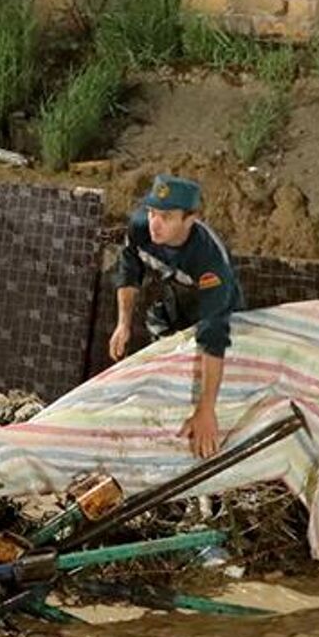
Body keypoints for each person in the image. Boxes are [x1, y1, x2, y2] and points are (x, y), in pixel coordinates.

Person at [106, 175, 244, 458]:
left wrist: (206, 410)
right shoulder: (142, 227)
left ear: (190, 218)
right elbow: (129, 270)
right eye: (152, 212)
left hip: (215, 313)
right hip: (173, 305)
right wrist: (123, 324)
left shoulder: (210, 261)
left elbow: (214, 335)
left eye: (166, 216)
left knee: (218, 377)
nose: (154, 222)